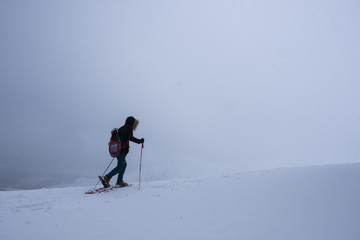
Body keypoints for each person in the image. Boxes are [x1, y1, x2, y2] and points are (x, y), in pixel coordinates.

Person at [103, 116, 144, 188]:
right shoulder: (129, 128)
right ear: (132, 122)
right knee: (120, 166)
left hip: (118, 150)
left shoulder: (121, 128)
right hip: (122, 150)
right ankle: (108, 177)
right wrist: (140, 141)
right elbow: (130, 138)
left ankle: (119, 181)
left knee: (123, 165)